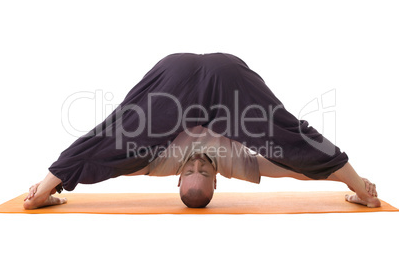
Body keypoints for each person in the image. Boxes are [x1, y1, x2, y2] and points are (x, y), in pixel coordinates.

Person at [23, 52, 381, 209]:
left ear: (177, 178)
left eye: (191, 171)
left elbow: (104, 156)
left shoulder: (158, 165)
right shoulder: (233, 164)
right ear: (217, 177)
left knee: (116, 133)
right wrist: (351, 183)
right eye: (204, 171)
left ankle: (41, 192)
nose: (197, 164)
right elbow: (291, 168)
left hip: (174, 77)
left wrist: (46, 188)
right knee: (285, 135)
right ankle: (361, 190)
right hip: (228, 79)